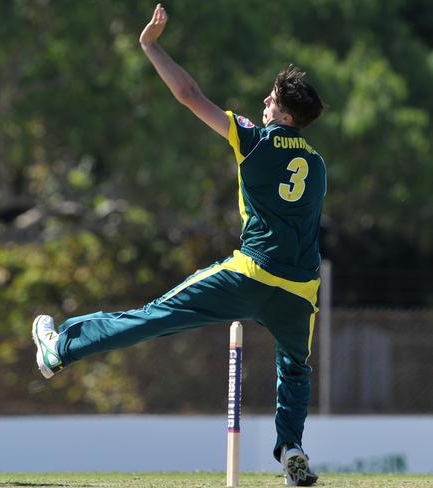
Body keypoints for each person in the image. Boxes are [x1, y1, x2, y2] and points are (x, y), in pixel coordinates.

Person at [32, 4, 325, 486]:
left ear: (285, 114)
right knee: (295, 368)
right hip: (300, 289)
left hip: (248, 274)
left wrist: (150, 45)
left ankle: (60, 348)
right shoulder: (317, 164)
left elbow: (189, 95)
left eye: (271, 100)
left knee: (154, 317)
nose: (264, 102)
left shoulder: (253, 139)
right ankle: (292, 448)